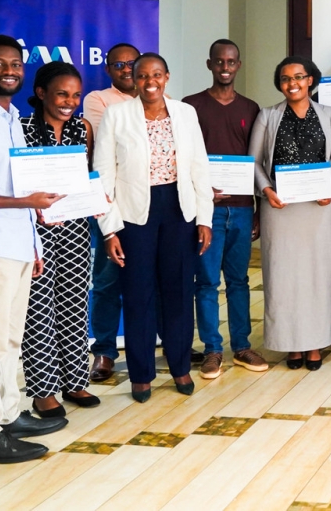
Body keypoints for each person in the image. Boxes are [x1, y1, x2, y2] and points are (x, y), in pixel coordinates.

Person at [0, 35, 66, 464]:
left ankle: (7, 416)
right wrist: (26, 204)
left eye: (15, 63)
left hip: (18, 246)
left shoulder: (12, 118)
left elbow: (22, 186)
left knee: (9, 339)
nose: (8, 70)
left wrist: (35, 236)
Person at [98, 54, 213, 403]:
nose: (150, 81)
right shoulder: (116, 115)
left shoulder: (184, 113)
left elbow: (199, 167)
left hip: (180, 211)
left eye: (157, 74)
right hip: (133, 216)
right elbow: (104, 173)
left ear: (167, 76)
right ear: (133, 79)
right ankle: (141, 375)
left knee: (178, 292)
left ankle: (179, 367)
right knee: (138, 294)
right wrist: (109, 230)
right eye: (143, 75)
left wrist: (204, 218)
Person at [251, 57, 331, 371]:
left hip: (320, 210)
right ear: (280, 84)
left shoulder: (330, 115)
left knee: (318, 277)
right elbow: (253, 163)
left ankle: (315, 344)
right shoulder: (267, 116)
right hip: (280, 210)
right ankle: (290, 346)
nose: (292, 84)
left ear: (311, 80)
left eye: (299, 77)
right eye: (285, 79)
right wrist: (266, 191)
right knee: (283, 278)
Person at [182, 39, 267, 380]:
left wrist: (258, 209)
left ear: (239, 65)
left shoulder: (251, 108)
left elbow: (257, 162)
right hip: (207, 210)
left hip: (243, 208)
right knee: (205, 281)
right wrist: (200, 193)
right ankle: (213, 349)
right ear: (209, 64)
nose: (225, 67)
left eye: (231, 61)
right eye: (219, 62)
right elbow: (184, 159)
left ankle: (242, 345)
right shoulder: (191, 106)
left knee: (239, 281)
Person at [20, 62, 100, 419]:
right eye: (62, 94)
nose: (70, 101)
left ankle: (74, 380)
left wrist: (99, 197)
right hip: (33, 231)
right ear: (41, 94)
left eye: (75, 95)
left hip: (75, 229)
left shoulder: (82, 129)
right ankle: (43, 391)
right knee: (38, 311)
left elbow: (89, 176)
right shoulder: (20, 129)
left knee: (72, 304)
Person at [82, 42, 139, 384]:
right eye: (119, 65)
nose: (127, 70)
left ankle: (145, 345)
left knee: (151, 280)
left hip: (149, 203)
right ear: (108, 69)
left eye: (132, 64)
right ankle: (104, 351)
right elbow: (111, 141)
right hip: (109, 202)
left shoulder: (159, 97)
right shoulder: (97, 99)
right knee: (106, 280)